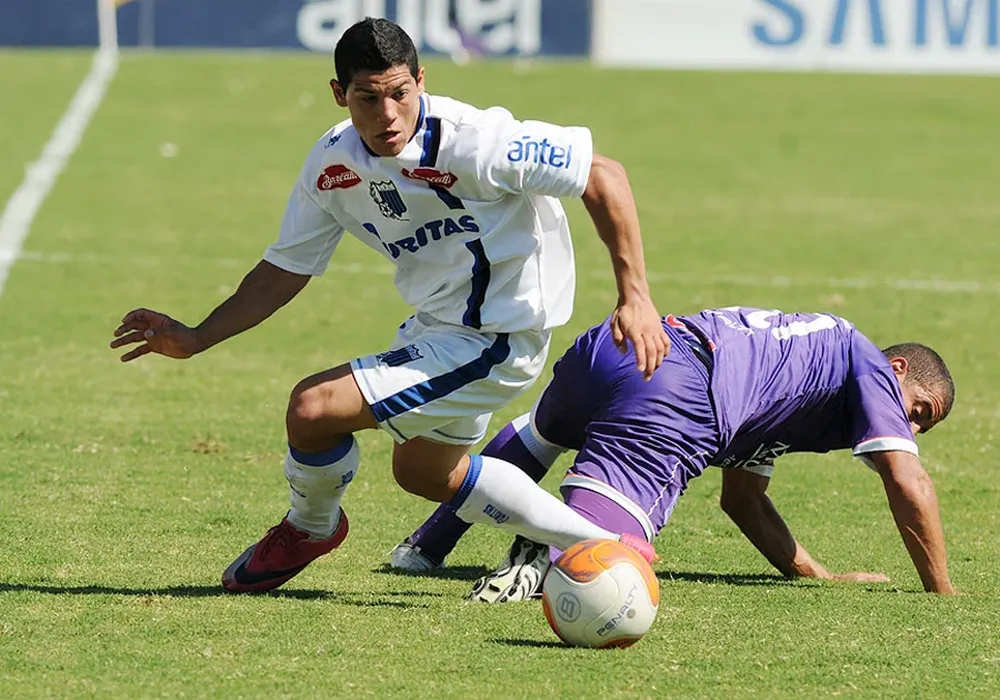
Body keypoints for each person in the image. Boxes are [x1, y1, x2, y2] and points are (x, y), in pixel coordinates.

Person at [109, 18, 670, 593]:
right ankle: (599, 543)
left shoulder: (476, 141)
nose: (388, 115)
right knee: (424, 473)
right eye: (367, 98)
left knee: (311, 408)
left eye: (400, 93)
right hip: (438, 327)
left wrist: (636, 297)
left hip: (498, 336)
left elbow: (602, 174)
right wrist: (198, 336)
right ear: (339, 94)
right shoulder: (333, 165)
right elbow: (285, 269)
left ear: (421, 81)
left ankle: (310, 527)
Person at [389, 306, 959, 601]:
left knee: (541, 434)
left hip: (620, 345)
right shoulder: (868, 365)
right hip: (677, 388)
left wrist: (815, 574)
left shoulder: (802, 379)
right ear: (898, 369)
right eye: (919, 410)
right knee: (601, 563)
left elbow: (743, 499)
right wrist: (943, 593)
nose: (910, 427)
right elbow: (907, 479)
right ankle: (543, 553)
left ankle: (425, 547)